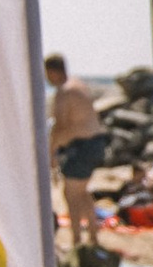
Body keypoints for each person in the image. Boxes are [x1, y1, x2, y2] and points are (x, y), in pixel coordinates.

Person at [44, 55, 106, 251]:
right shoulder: (78, 84)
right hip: (97, 142)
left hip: (82, 145)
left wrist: (51, 153)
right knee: (81, 191)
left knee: (70, 193)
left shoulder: (64, 92)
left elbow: (61, 127)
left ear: (52, 72)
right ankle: (94, 237)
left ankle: (77, 241)